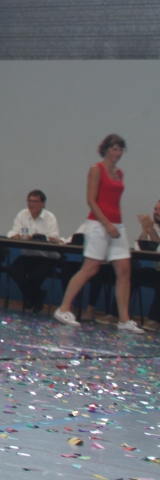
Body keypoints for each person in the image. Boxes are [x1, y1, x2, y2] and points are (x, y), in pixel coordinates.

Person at [54, 135, 144, 333]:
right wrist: (106, 224)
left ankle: (124, 320)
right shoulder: (96, 169)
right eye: (114, 149)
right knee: (91, 267)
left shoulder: (119, 173)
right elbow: (91, 200)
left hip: (117, 225)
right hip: (98, 224)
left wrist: (114, 225)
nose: (118, 153)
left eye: (120, 149)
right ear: (106, 150)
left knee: (124, 271)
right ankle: (63, 308)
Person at [6, 190, 62, 312]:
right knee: (13, 270)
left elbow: (54, 237)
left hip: (47, 257)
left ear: (43, 203)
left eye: (35, 201)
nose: (31, 204)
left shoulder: (50, 217)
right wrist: (16, 236)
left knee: (36, 274)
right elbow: (13, 232)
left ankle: (30, 297)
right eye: (29, 201)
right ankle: (37, 295)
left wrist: (39, 237)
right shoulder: (22, 214)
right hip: (29, 256)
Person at [132, 203, 160, 331]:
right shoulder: (153, 228)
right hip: (156, 271)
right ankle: (117, 316)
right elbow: (138, 249)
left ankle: (155, 320)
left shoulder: (153, 229)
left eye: (159, 209)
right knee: (128, 275)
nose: (156, 212)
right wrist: (145, 232)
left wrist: (151, 230)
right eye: (155, 209)